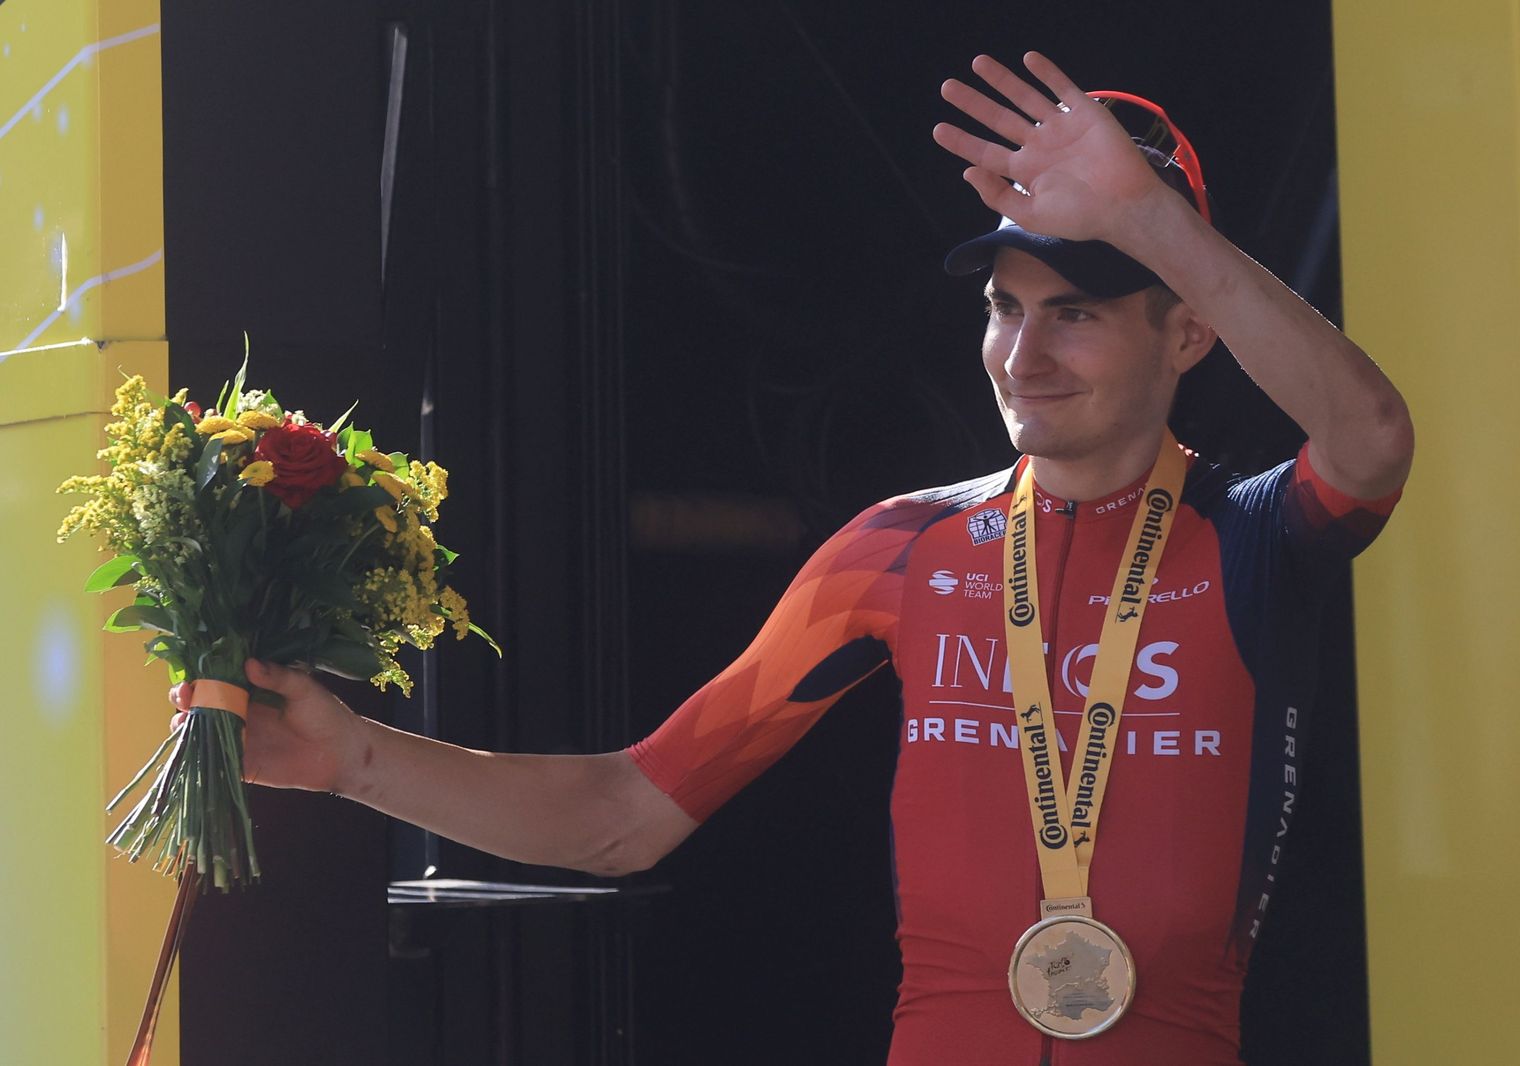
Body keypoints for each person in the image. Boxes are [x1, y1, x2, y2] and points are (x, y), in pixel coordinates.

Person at [171, 52, 1411, 1065]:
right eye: (1004, 307)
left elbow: (1370, 437)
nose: (1024, 355)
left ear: (1186, 331)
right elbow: (624, 817)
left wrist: (1147, 219)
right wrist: (356, 759)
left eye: (1075, 312)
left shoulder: (1251, 537)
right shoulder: (899, 551)